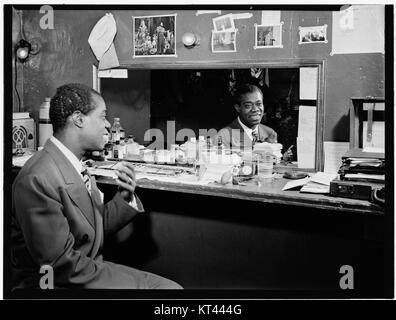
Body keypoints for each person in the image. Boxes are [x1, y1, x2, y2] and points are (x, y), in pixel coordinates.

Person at [11, 83, 182, 289]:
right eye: (102, 116)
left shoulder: (74, 163)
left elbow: (90, 229)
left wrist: (125, 198)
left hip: (82, 269)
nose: (108, 124)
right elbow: (61, 266)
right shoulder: (37, 179)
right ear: (78, 119)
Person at [215, 84, 277, 150]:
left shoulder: (270, 133)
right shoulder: (224, 136)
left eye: (259, 104)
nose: (255, 109)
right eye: (248, 106)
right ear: (238, 108)